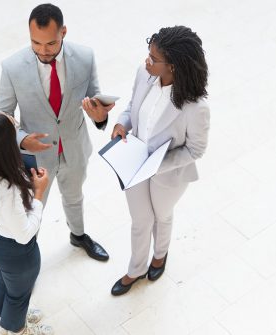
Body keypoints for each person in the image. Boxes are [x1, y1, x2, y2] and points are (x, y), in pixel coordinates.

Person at [0, 3, 113, 261]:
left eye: (49, 44)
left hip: (74, 148)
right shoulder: (12, 67)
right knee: (32, 208)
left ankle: (78, 235)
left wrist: (100, 117)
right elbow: (1, 116)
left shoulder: (84, 57)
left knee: (75, 196)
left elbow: (94, 99)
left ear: (63, 32)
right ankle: (27, 258)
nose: (42, 51)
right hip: (36, 158)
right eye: (35, 43)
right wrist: (22, 139)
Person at [107, 26, 210, 296]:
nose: (146, 61)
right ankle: (135, 269)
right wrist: (121, 124)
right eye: (148, 54)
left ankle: (160, 255)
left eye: (153, 59)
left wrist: (157, 164)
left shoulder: (196, 107)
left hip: (168, 174)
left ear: (173, 67)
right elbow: (132, 107)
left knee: (161, 216)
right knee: (141, 219)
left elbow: (196, 149)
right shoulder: (144, 74)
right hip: (133, 164)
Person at [0, 111, 54, 335]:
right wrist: (39, 194)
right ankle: (18, 329)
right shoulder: (7, 189)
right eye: (14, 132)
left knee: (6, 279)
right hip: (16, 249)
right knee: (19, 294)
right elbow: (24, 234)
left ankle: (9, 318)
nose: (17, 130)